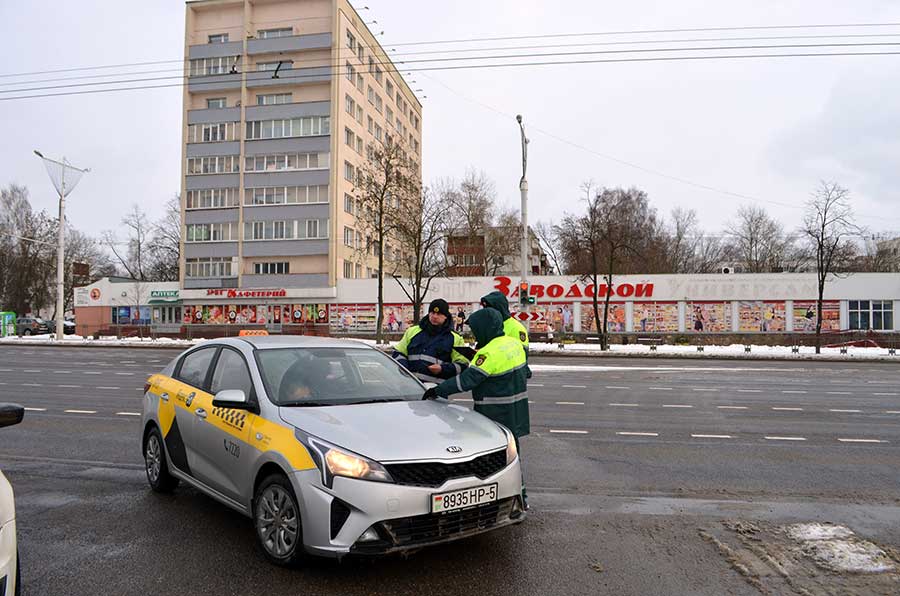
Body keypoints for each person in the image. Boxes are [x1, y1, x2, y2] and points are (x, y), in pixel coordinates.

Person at [423, 308, 529, 507]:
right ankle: (521, 498)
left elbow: (469, 380)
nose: (475, 334)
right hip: (517, 410)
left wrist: (440, 389)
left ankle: (493, 501)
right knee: (514, 457)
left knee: (492, 461)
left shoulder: (490, 352)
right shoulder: (513, 344)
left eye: (477, 330)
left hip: (495, 412)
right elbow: (526, 372)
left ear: (485, 328)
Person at [392, 299, 469, 383]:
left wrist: (442, 369)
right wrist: (404, 369)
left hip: (435, 391)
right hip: (409, 388)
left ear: (446, 316)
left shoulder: (455, 338)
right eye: (432, 313)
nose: (435, 316)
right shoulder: (413, 331)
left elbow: (462, 365)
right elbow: (398, 353)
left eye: (439, 314)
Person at [480, 290, 531, 378]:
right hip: (490, 372)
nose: (487, 311)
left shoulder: (515, 328)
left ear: (499, 308)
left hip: (508, 377)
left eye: (489, 308)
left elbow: (521, 354)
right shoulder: (490, 325)